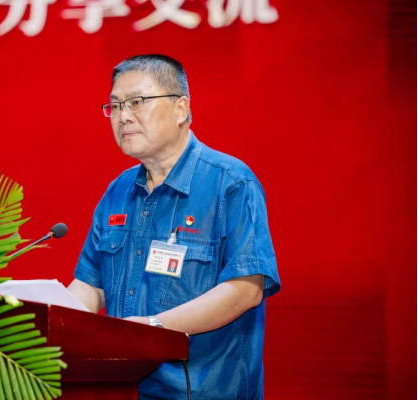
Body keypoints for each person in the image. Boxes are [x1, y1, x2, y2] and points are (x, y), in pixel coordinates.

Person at [68, 54, 281, 400]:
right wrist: (50, 324)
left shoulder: (230, 183)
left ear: (181, 109)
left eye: (137, 102)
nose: (123, 116)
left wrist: (154, 328)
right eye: (115, 105)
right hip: (126, 390)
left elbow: (246, 289)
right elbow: (90, 286)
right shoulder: (118, 191)